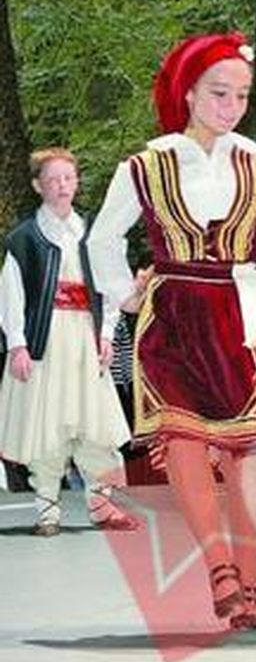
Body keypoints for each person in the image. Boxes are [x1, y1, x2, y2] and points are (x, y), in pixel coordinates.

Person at [88, 33, 256, 631]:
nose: (232, 106)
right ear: (188, 92)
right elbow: (103, 238)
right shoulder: (146, 165)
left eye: (241, 95)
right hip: (173, 315)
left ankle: (251, 580)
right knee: (182, 440)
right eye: (219, 92)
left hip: (239, 314)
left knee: (244, 454)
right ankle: (220, 570)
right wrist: (126, 293)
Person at [0, 148, 139, 537]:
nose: (61, 186)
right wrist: (18, 344)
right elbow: (11, 294)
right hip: (45, 341)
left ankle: (102, 506)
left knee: (95, 424)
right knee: (47, 425)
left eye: (67, 178)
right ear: (37, 185)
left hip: (85, 339)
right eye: (52, 179)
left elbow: (110, 289)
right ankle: (47, 512)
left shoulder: (95, 235)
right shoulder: (24, 239)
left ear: (77, 182)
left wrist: (107, 334)